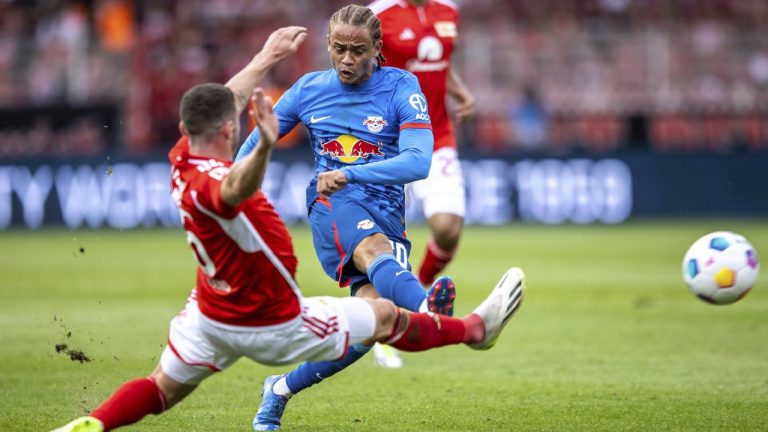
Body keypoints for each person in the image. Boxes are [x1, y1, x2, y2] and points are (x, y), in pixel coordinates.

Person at [49, 24, 526, 432]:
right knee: (384, 317)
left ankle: (95, 423)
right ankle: (466, 326)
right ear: (231, 133)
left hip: (208, 315)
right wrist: (265, 147)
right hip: (269, 320)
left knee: (160, 389)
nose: (346, 58)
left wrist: (265, 57)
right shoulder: (222, 185)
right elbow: (236, 187)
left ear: (185, 128)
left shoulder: (183, 160)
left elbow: (225, 102)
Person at [370, 0, 475, 289]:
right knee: (382, 236)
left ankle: (421, 286)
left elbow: (440, 62)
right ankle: (382, 311)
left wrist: (459, 91)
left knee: (448, 228)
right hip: (389, 140)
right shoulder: (378, 14)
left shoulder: (449, 10)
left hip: (436, 134)